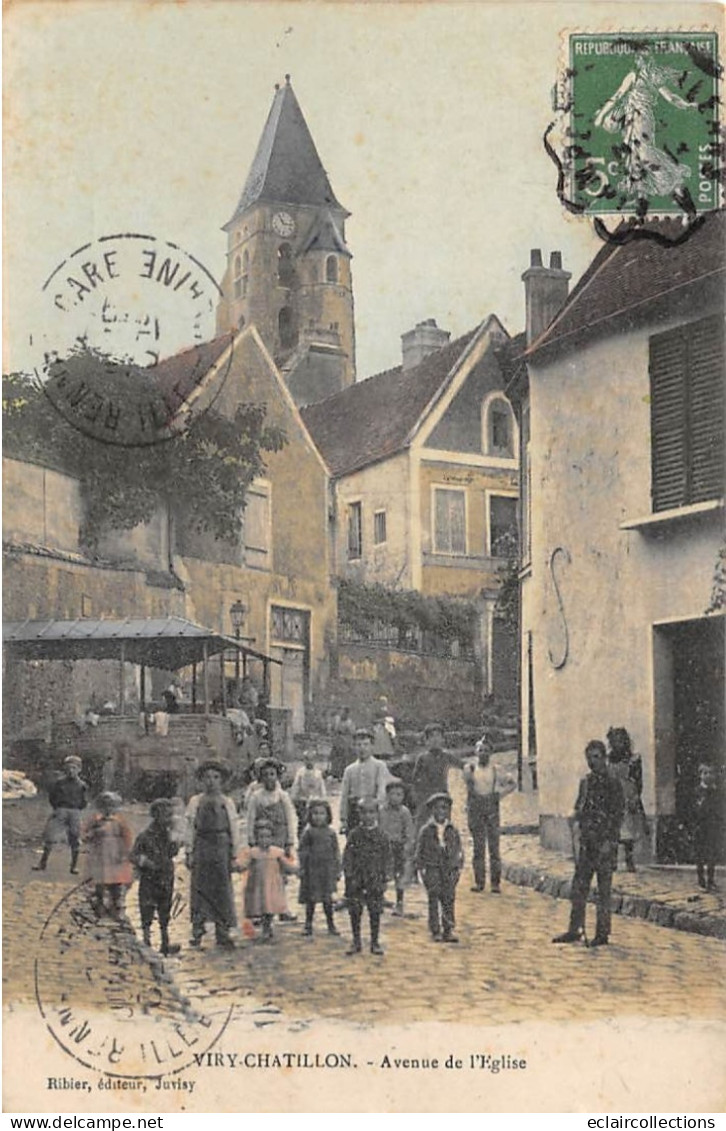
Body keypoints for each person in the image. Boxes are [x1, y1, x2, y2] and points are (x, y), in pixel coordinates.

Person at [553, 739, 625, 948]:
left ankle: (602, 934)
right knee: (579, 887)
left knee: (603, 890)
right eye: (589, 758)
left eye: (596, 757)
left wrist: (610, 842)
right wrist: (573, 816)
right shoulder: (585, 782)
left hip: (604, 843)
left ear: (604, 757)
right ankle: (575, 929)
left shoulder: (613, 783)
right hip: (587, 842)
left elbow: (617, 815)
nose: (592, 762)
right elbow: (579, 806)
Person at [185, 760, 240, 948]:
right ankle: (198, 929)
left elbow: (234, 827)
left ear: (222, 781)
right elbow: (190, 827)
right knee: (200, 888)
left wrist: (234, 853)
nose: (211, 781)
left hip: (221, 845)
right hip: (202, 845)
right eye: (207, 777)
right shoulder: (195, 801)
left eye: (216, 777)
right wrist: (189, 851)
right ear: (201, 780)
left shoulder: (227, 802)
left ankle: (222, 930)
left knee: (222, 888)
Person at [245, 759, 297, 921]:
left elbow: (290, 818)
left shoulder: (283, 796)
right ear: (261, 778)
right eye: (266, 775)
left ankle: (282, 908)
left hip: (279, 838)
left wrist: (290, 840)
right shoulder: (256, 797)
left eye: (272, 774)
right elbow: (250, 818)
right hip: (262, 839)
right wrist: (251, 839)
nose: (269, 778)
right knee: (261, 875)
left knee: (280, 874)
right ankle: (261, 909)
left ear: (277, 776)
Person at [463, 736, 516, 893]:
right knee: (478, 848)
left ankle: (495, 883)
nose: (483, 753)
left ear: (491, 753)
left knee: (494, 847)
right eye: (480, 750)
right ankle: (479, 882)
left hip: (491, 808)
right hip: (476, 809)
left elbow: (513, 783)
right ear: (476, 752)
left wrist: (500, 795)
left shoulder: (496, 770)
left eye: (486, 751)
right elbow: (468, 790)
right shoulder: (471, 769)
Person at [130, 798, 180, 956]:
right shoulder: (145, 835)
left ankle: (165, 942)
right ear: (156, 815)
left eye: (170, 815)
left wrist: (174, 837)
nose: (169, 819)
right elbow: (134, 855)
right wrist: (145, 862)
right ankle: (146, 940)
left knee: (165, 909)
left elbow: (173, 852)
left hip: (166, 875)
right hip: (150, 877)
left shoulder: (168, 835)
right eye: (165, 815)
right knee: (147, 908)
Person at [238, 818, 298, 942]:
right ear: (256, 838)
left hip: (272, 885)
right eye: (261, 837)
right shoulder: (252, 853)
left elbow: (287, 865)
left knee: (269, 907)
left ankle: (267, 929)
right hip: (257, 885)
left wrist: (296, 869)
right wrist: (235, 865)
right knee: (260, 906)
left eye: (267, 837)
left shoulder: (277, 852)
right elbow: (243, 864)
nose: (264, 840)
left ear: (272, 838)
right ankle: (264, 928)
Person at [342, 798, 390, 956]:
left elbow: (387, 856)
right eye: (364, 812)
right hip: (356, 878)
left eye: (371, 812)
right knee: (355, 910)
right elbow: (347, 855)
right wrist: (349, 874)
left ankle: (374, 942)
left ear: (377, 814)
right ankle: (356, 941)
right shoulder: (354, 835)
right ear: (359, 814)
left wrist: (386, 875)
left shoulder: (382, 835)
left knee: (375, 910)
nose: (368, 816)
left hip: (374, 878)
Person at [415, 792, 464, 943]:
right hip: (432, 866)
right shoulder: (426, 830)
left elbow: (459, 850)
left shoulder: (452, 830)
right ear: (432, 811)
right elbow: (420, 850)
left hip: (448, 867)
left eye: (444, 808)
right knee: (433, 897)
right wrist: (420, 868)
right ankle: (435, 929)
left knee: (448, 897)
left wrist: (458, 867)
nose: (441, 812)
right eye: (437, 808)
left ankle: (448, 929)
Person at [83, 792, 134, 920]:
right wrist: (93, 833)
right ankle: (99, 904)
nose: (108, 809)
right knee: (100, 879)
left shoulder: (119, 821)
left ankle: (116, 906)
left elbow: (127, 836)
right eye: (105, 806)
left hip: (115, 852)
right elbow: (84, 834)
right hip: (99, 853)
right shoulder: (95, 820)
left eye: (111, 806)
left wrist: (125, 852)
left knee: (116, 880)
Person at [34, 755, 88, 873]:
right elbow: (52, 798)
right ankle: (42, 863)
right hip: (60, 810)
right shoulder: (59, 783)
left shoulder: (82, 785)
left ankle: (73, 866)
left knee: (75, 838)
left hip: (75, 812)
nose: (71, 771)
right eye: (68, 768)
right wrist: (58, 808)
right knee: (50, 836)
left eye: (74, 768)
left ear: (79, 769)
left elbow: (84, 801)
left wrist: (76, 810)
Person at [298, 799, 341, 937]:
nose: (318, 816)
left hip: (326, 871)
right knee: (311, 900)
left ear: (328, 815)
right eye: (315, 813)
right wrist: (303, 866)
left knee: (327, 899)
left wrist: (337, 869)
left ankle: (331, 924)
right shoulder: (308, 833)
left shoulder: (331, 833)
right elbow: (302, 850)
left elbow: (336, 852)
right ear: (310, 815)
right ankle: (308, 924)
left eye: (322, 813)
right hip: (312, 871)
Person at [607, 726, 647, 872]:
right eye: (615, 741)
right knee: (613, 831)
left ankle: (630, 860)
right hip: (613, 798)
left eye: (621, 740)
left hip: (628, 797)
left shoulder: (633, 760)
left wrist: (635, 797)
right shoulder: (608, 761)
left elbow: (638, 780)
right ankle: (613, 861)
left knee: (629, 831)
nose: (619, 744)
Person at [339, 729, 391, 835]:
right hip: (354, 810)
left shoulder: (379, 765)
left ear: (372, 746)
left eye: (366, 744)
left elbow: (382, 789)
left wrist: (378, 809)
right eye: (358, 745)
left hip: (372, 809)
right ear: (354, 747)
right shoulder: (349, 769)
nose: (362, 748)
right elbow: (344, 795)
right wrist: (343, 818)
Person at [412, 724, 462, 831]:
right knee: (423, 825)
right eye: (431, 737)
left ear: (443, 739)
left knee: (444, 825)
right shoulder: (422, 758)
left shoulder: (447, 756)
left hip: (442, 794)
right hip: (426, 796)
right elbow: (415, 779)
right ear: (426, 740)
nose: (435, 740)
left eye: (438, 736)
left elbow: (463, 765)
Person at [379, 778, 415, 916]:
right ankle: (379, 899)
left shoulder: (404, 812)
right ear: (387, 795)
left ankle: (399, 902)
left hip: (398, 847)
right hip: (383, 847)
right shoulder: (381, 810)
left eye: (399, 794)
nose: (395, 797)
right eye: (392, 794)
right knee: (381, 874)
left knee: (398, 875)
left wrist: (407, 846)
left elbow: (409, 831)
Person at [692, 763, 722, 892]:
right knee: (700, 854)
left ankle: (711, 880)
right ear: (700, 775)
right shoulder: (697, 791)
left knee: (712, 854)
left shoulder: (717, 792)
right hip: (700, 827)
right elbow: (692, 810)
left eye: (711, 773)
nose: (708, 776)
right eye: (705, 773)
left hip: (713, 826)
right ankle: (701, 881)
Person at [289, 750, 327, 839]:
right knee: (303, 820)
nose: (309, 762)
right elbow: (296, 786)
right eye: (307, 759)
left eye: (311, 759)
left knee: (315, 820)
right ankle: (301, 839)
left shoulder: (318, 773)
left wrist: (323, 799)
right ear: (304, 760)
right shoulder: (300, 772)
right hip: (302, 800)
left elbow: (321, 787)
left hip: (314, 800)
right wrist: (294, 798)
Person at [329, 706, 355, 780]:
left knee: (344, 758)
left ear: (347, 714)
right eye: (341, 712)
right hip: (337, 742)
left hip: (345, 743)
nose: (342, 714)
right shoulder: (337, 720)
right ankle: (334, 772)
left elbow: (352, 733)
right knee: (334, 757)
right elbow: (332, 728)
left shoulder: (349, 722)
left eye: (343, 713)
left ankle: (343, 774)